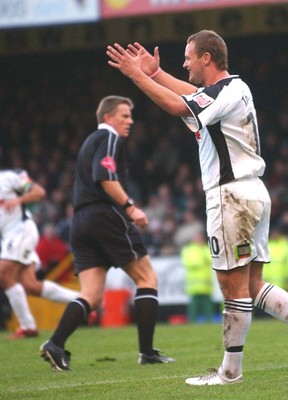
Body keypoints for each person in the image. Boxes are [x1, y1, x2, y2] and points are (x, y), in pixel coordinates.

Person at [106, 30, 288, 385]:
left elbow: (176, 106)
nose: (183, 63)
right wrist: (155, 74)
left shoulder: (226, 93)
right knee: (253, 284)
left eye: (188, 57)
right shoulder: (233, 90)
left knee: (232, 288)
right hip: (252, 193)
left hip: (230, 197)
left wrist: (135, 75)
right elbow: (194, 96)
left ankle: (230, 373)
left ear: (207, 58)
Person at [40, 95, 175, 371]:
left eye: (131, 116)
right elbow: (104, 177)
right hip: (105, 215)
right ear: (108, 118)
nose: (130, 121)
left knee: (91, 295)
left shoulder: (88, 142)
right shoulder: (109, 138)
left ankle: (55, 343)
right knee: (147, 277)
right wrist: (130, 207)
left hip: (80, 220)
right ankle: (147, 352)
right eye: (124, 116)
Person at [0, 169, 80, 339]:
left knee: (3, 273)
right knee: (30, 285)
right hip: (10, 238)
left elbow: (39, 192)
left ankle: (28, 326)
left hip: (21, 230)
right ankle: (83, 300)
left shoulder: (9, 178)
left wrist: (18, 200)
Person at [180, 230, 214, 323]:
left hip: (206, 283)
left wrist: (201, 258)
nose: (199, 240)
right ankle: (193, 321)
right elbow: (188, 262)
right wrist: (202, 260)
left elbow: (211, 259)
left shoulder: (206, 248)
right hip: (194, 283)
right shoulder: (188, 250)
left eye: (200, 238)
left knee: (207, 304)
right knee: (194, 304)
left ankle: (208, 321)